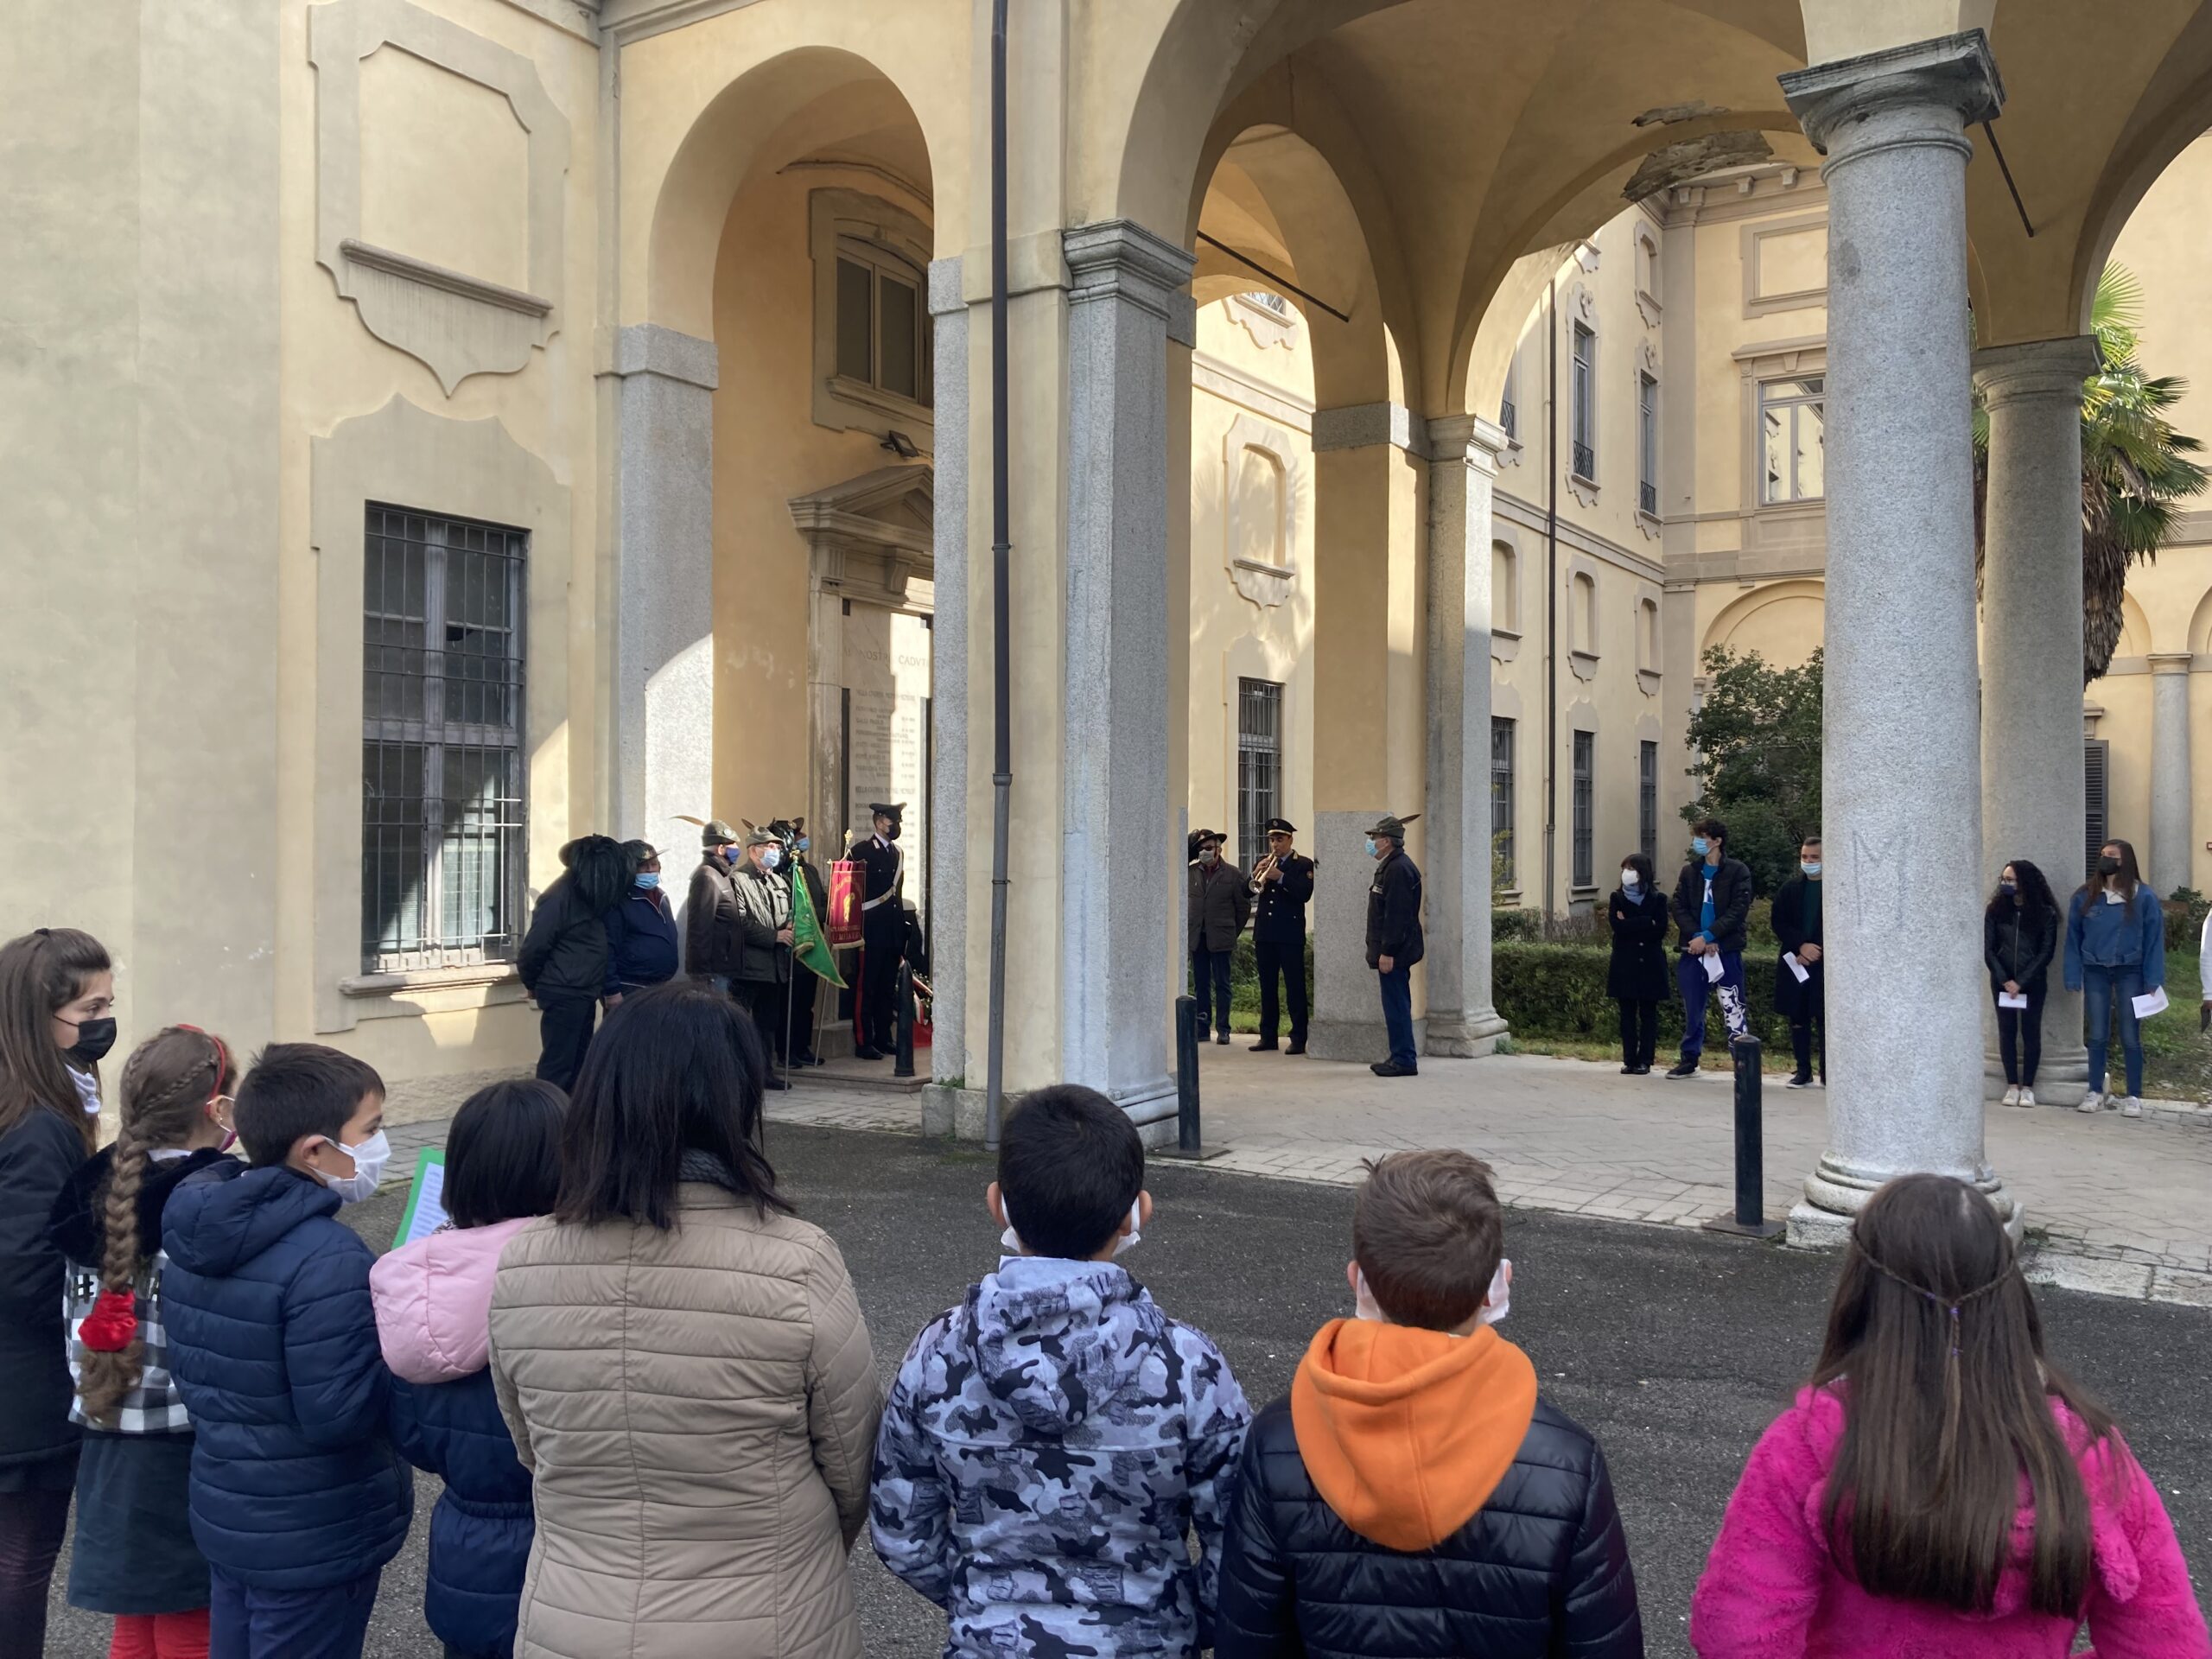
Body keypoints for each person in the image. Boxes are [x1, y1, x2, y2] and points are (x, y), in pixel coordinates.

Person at [490, 982, 882, 1659]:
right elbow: (854, 1468)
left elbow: (534, 1448)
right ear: (736, 1099)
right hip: (766, 1618)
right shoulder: (796, 1261)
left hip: (572, 1619)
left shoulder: (523, 1262)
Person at [1689, 1173, 2209, 1659]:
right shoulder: (2089, 1455)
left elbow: (1737, 1634)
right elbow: (2170, 1645)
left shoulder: (1809, 1440)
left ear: (1861, 1292)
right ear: (2010, 1294)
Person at [871, 1084, 1251, 1658]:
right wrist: (1176, 1619)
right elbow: (1242, 1546)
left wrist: (983, 1605)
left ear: (998, 1204)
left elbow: (902, 1532)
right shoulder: (1189, 1367)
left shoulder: (938, 1353)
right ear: (1135, 1214)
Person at [1214, 1148, 1642, 1659]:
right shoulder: (1569, 1461)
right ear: (1495, 1287)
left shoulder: (1280, 1439)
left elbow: (1250, 1639)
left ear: (1359, 1281)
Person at [162, 1044, 412, 1659]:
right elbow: (340, 1415)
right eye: (371, 1130)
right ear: (314, 1151)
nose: (381, 1145)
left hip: (231, 1512)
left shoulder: (198, 1235)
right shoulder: (330, 1257)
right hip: (316, 1530)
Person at [50, 1026, 243, 1659]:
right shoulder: (209, 1205)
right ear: (218, 1109)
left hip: (106, 1436)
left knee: (136, 1618)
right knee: (192, 1619)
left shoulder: (93, 1194)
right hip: (182, 1443)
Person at [371, 1078, 563, 1659]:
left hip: (466, 1552)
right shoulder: (568, 1284)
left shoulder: (417, 1284)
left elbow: (413, 1435)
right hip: (563, 1552)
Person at [0, 925, 111, 1657]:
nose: (104, 1024)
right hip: (24, 1392)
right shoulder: (40, 1125)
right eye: (91, 1009)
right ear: (36, 1017)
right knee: (19, 1563)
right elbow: (29, 1272)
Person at [518, 834, 634, 1092]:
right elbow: (534, 947)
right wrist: (531, 982)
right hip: (564, 991)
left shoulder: (589, 893)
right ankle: (550, 1112)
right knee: (559, 1066)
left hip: (582, 991)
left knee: (579, 1063)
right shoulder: (559, 896)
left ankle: (572, 1111)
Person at [2063, 837, 2164, 1117]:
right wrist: (2072, 975)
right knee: (2097, 1034)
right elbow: (2073, 938)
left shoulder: (2143, 897)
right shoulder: (2085, 896)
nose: (2106, 859)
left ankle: (2134, 1095)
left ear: (2125, 861)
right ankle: (2095, 1091)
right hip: (2095, 970)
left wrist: (2153, 979)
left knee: (2130, 1035)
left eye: (2112, 855)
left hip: (2130, 970)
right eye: (2103, 854)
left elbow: (2154, 940)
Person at [1666, 817, 1752, 1079]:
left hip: (1725, 950)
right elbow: (1678, 905)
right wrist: (1697, 938)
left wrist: (1710, 936)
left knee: (1733, 1006)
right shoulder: (1690, 872)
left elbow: (1738, 910)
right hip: (1694, 950)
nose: (1698, 842)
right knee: (1693, 1007)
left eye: (1702, 837)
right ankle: (1689, 1059)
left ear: (1717, 841)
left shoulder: (1737, 871)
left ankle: (1742, 1062)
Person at [1986, 858, 2060, 1108]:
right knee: (2007, 1032)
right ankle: (2011, 1086)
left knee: (2030, 1032)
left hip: (2032, 982)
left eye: (2010, 880)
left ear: (2024, 882)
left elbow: (2046, 952)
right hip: (2002, 982)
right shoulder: (1995, 911)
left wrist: (2022, 981)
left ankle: (2028, 1087)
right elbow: (1989, 949)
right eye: (2003, 879)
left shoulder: (2045, 913)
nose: (2005, 883)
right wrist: (2004, 979)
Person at [730, 827, 796, 1088]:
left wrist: (791, 927)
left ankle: (765, 1073)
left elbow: (790, 913)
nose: (775, 851)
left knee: (768, 1023)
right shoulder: (738, 880)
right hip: (750, 967)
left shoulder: (780, 881)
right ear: (753, 851)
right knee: (743, 1024)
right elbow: (740, 923)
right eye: (769, 847)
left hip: (776, 968)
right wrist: (775, 936)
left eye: (777, 847)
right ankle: (741, 1075)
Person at [1364, 814, 1425, 1077]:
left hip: (1395, 952)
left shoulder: (1398, 869)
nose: (1371, 842)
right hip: (1395, 950)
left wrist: (1387, 951)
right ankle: (1399, 1055)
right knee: (1395, 1004)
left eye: (1374, 838)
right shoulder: (1392, 865)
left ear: (1387, 841)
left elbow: (1396, 916)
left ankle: (1404, 1059)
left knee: (1397, 1005)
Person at [1249, 818, 1314, 1053]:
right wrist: (1255, 873)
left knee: (1294, 987)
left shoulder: (1303, 864)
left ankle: (1298, 1038)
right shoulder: (1264, 861)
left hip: (1289, 934)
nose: (1275, 844)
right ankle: (1268, 1037)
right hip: (1265, 933)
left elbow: (1304, 893)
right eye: (1272, 840)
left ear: (1290, 840)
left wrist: (1281, 877)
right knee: (1267, 987)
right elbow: (1247, 892)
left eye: (1280, 839)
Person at [851, 803, 907, 1060]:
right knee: (867, 987)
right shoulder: (861, 852)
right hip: (870, 930)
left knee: (886, 987)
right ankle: (864, 1041)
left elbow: (897, 895)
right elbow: (849, 891)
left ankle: (884, 1037)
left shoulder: (897, 853)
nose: (896, 826)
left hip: (891, 931)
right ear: (879, 822)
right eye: (892, 822)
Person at [1605, 854, 1670, 1075]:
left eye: (1632, 868)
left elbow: (1659, 930)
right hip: (1625, 963)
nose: (1627, 873)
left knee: (1648, 1014)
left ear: (1643, 872)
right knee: (1627, 1014)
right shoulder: (1617, 898)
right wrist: (1645, 922)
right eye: (1625, 868)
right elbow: (1617, 927)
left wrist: (1631, 923)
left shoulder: (1658, 899)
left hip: (1650, 963)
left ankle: (1645, 1060)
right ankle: (1629, 1059)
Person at [1770, 835, 1826, 1088]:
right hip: (1795, 961)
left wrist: (1817, 949)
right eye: (1805, 857)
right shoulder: (1790, 889)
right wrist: (1800, 945)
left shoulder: (1836, 888)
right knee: (1798, 1017)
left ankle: (1828, 1070)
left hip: (1824, 964)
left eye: (1814, 858)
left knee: (1824, 1019)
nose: (1809, 862)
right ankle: (1803, 1070)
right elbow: (1779, 922)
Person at [773, 817, 830, 1066]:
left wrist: (824, 912)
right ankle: (785, 1051)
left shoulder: (810, 870)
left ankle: (802, 1046)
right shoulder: (781, 873)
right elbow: (790, 910)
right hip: (791, 948)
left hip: (813, 945)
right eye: (798, 836)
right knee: (789, 1003)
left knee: (806, 1002)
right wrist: (811, 915)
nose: (803, 839)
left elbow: (824, 901)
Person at [1187, 830, 1249, 1046]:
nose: (1204, 852)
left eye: (1208, 848)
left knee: (1222, 985)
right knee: (1201, 984)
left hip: (1221, 937)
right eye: (1201, 849)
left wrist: (1232, 932)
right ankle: (1202, 1028)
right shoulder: (1191, 873)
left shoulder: (1233, 874)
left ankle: (1223, 1029)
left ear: (1218, 849)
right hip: (1198, 937)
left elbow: (1243, 908)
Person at [601, 839, 678, 1007]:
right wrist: (612, 991)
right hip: (630, 989)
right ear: (629, 869)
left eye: (654, 864)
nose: (650, 870)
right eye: (643, 866)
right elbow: (607, 949)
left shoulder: (662, 897)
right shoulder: (619, 902)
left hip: (658, 988)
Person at [683, 820, 744, 992]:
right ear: (721, 849)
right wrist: (701, 974)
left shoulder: (722, 875)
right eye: (733, 845)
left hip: (725, 969)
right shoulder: (707, 877)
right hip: (713, 973)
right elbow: (700, 929)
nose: (737, 849)